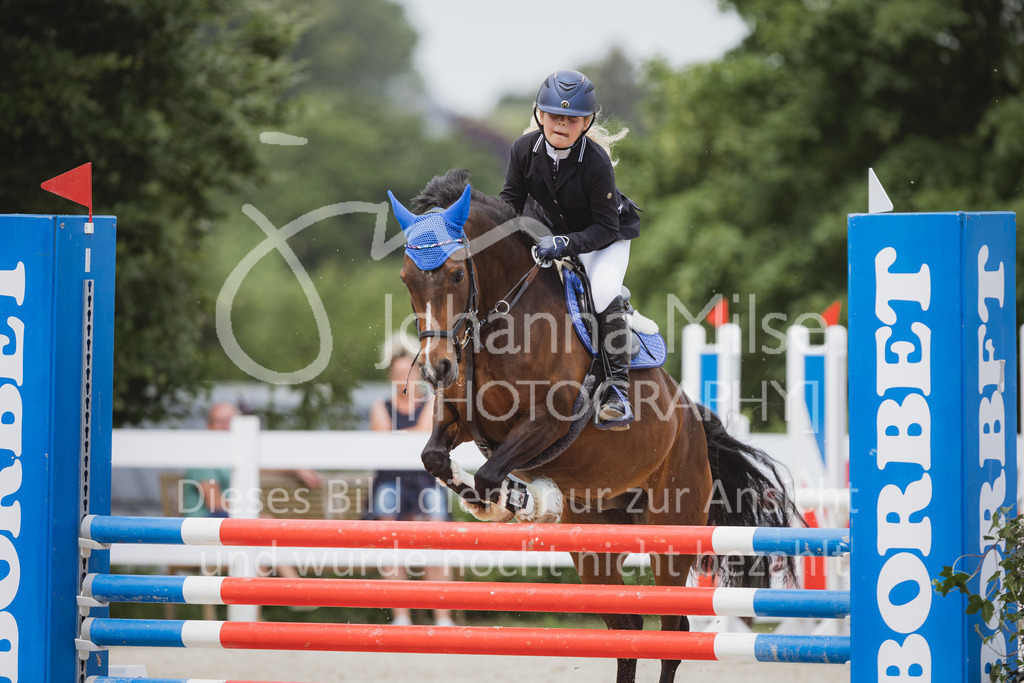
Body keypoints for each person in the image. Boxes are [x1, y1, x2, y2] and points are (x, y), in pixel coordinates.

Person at [499, 69, 641, 431]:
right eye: (554, 116)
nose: (562, 124)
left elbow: (605, 228)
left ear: (585, 123)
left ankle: (617, 392)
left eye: (572, 119)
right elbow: (509, 206)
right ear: (539, 115)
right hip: (557, 235)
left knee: (602, 290)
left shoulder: (595, 161)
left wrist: (564, 244)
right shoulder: (523, 150)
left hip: (604, 238)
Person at [368, 336, 455, 627]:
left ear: (418, 374)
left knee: (436, 537)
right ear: (390, 377)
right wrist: (406, 436)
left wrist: (397, 436)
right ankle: (401, 616)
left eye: (409, 372)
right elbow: (386, 442)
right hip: (390, 481)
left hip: (424, 481)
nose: (404, 378)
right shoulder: (380, 406)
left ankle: (442, 616)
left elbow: (417, 435)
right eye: (398, 373)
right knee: (389, 535)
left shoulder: (430, 403)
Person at [182, 402, 321, 584]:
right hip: (204, 527)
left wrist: (295, 468)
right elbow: (215, 503)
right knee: (261, 528)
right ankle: (296, 588)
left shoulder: (233, 455)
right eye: (220, 421)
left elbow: (262, 467)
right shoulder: (204, 456)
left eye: (230, 421)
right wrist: (249, 515)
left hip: (228, 523)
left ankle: (269, 594)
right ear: (209, 426)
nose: (225, 426)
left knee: (259, 537)